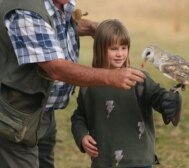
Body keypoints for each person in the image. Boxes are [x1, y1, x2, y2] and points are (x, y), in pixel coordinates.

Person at [0, 0, 145, 168]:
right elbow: (56, 69)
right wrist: (112, 76)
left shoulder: (58, 4)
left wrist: (89, 27)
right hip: (15, 115)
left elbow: (53, 23)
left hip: (42, 112)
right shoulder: (24, 9)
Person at [71, 19, 182, 168]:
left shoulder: (138, 78)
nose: (120, 54)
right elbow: (79, 116)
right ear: (100, 49)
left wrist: (169, 101)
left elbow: (158, 96)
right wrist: (82, 136)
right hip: (104, 162)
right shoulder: (89, 84)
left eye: (124, 48)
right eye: (114, 48)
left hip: (139, 160)